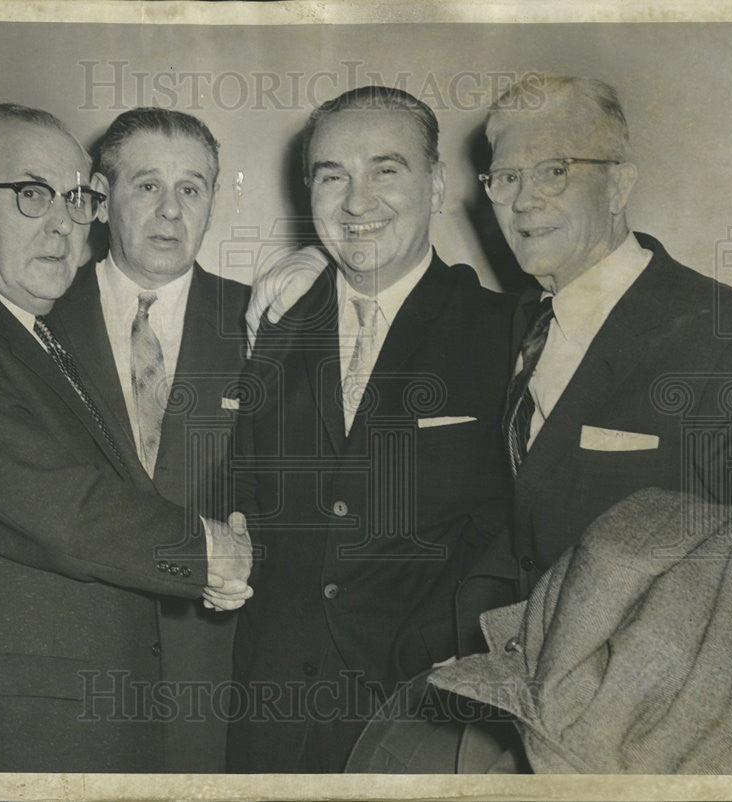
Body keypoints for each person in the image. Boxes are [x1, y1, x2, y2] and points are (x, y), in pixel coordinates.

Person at [0, 103, 251, 772]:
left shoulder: (27, 336)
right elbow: (58, 507)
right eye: (32, 194)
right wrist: (206, 553)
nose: (63, 221)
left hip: (66, 728)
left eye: (76, 198)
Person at [226, 86, 515, 773]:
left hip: (425, 722)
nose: (357, 202)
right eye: (333, 175)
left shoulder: (505, 331)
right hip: (266, 725)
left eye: (386, 171)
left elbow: (525, 528)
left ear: (438, 186)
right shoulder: (271, 324)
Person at [455, 75, 732, 652]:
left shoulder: (731, 338)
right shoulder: (523, 323)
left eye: (555, 170)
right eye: (506, 178)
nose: (525, 199)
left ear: (618, 185)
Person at [46, 108, 250, 772]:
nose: (170, 211)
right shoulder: (34, 320)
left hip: (217, 677)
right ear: (100, 200)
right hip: (65, 672)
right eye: (147, 186)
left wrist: (247, 557)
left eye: (191, 188)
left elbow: (296, 495)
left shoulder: (269, 325)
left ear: (213, 202)